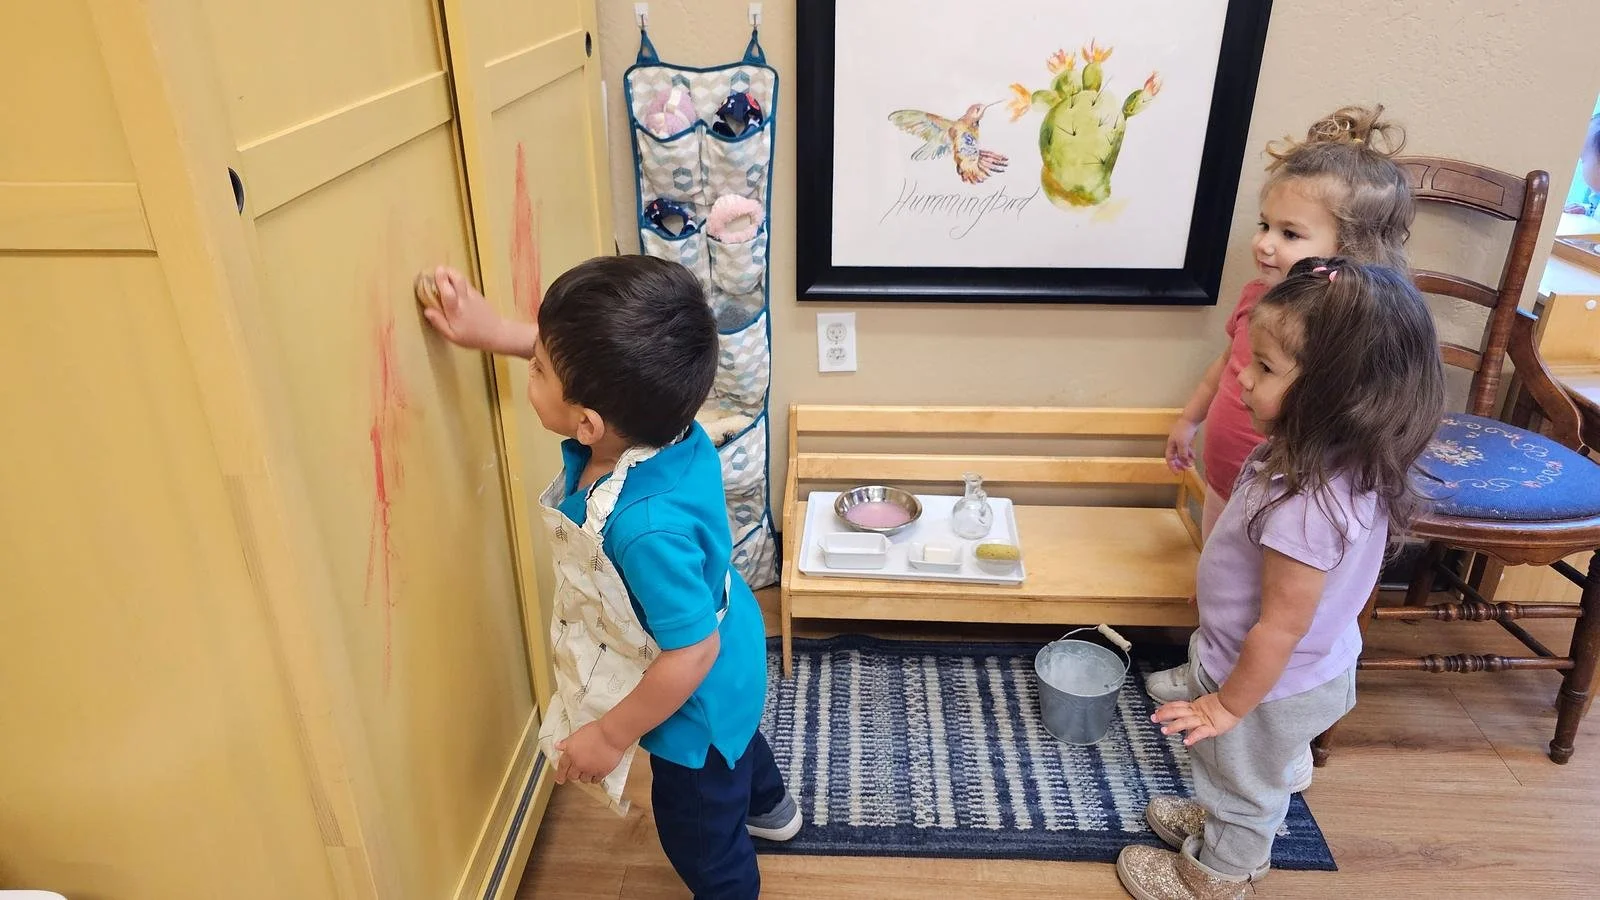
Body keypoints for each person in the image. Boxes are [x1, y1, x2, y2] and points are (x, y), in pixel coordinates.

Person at [419, 256, 798, 898]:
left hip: (696, 691)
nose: (531, 369)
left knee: (699, 833)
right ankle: (773, 812)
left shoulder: (642, 528)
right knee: (739, 744)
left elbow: (692, 652)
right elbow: (582, 369)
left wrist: (609, 734)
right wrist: (496, 333)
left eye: (538, 368)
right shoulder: (669, 420)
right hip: (733, 643)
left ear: (590, 424)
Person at [1116, 259, 1445, 899]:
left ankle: (1221, 870)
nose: (1242, 376)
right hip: (1304, 669)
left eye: (1265, 369)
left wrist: (1227, 704)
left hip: (1266, 683)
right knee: (1249, 767)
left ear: (1337, 394)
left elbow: (1284, 624)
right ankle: (1232, 813)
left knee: (1242, 780)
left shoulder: (1306, 503)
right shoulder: (1325, 459)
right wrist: (1216, 588)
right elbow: (1274, 577)